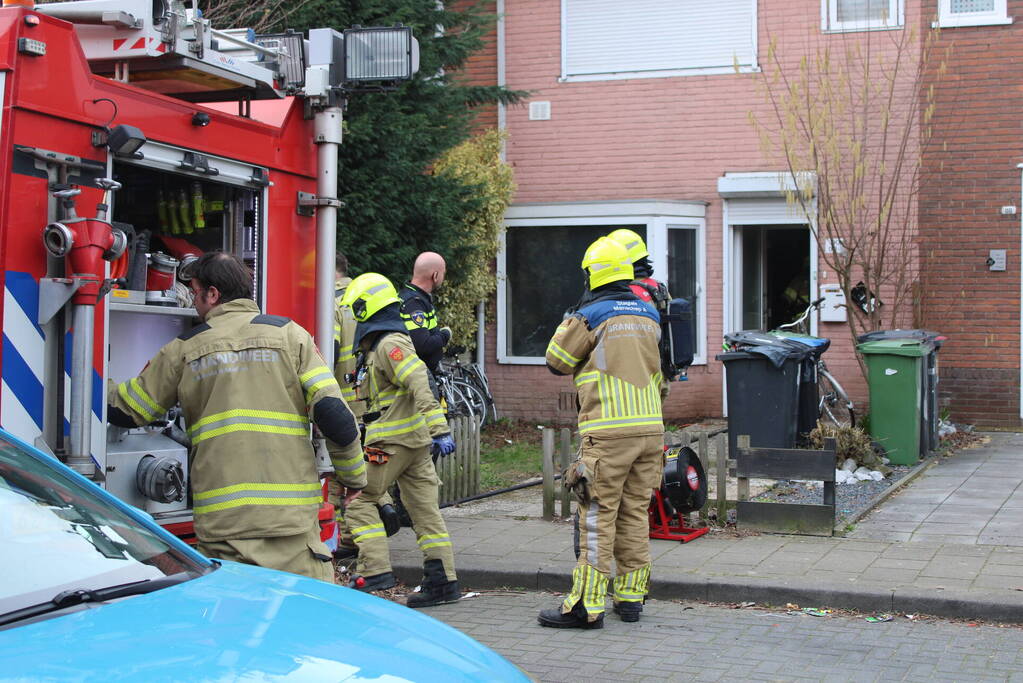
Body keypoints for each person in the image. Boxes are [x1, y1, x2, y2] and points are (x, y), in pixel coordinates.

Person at [107, 251, 366, 582]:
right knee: (303, 628)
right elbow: (334, 415)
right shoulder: (290, 335)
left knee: (236, 629)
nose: (193, 302)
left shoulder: (184, 348)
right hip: (294, 531)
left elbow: (130, 410)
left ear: (212, 294)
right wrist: (354, 478)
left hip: (226, 534)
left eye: (195, 293)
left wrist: (94, 374)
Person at [537, 237, 665, 629]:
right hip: (650, 430)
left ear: (593, 274)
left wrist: (571, 318)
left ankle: (586, 607)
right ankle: (630, 599)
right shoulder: (649, 312)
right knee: (634, 514)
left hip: (609, 433)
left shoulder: (591, 313)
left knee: (597, 518)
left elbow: (556, 361)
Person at [340, 272, 460, 607]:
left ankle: (374, 570)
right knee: (425, 513)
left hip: (390, 443)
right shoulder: (383, 343)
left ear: (367, 307)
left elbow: (419, 382)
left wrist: (441, 429)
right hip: (415, 445)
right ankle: (443, 581)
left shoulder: (391, 343)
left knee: (359, 500)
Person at [398, 251, 451, 377]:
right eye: (443, 273)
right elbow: (423, 345)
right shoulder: (414, 304)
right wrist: (445, 334)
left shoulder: (417, 298)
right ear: (435, 275)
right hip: (420, 377)